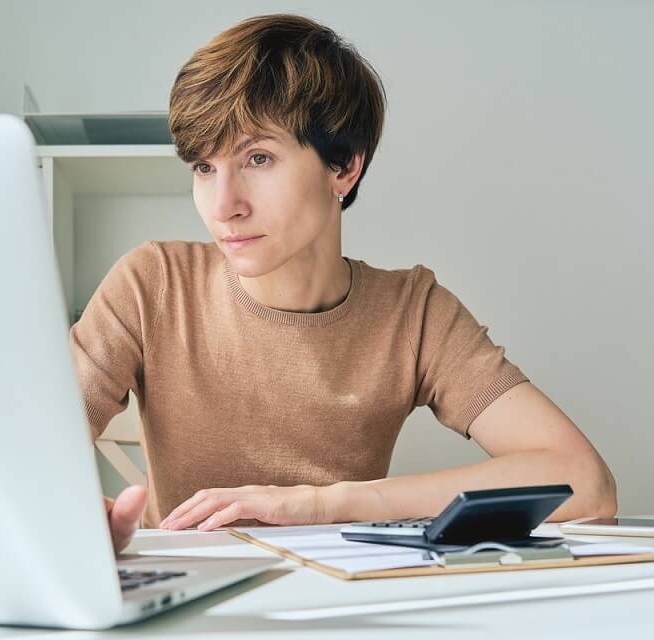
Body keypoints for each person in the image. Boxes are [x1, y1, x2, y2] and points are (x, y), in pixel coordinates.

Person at [71, 14, 617, 555]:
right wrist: (73, 515)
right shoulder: (153, 285)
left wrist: (324, 503)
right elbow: (28, 453)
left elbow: (585, 484)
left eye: (257, 158)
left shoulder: (412, 312)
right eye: (203, 168)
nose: (223, 207)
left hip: (344, 594)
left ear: (344, 168)